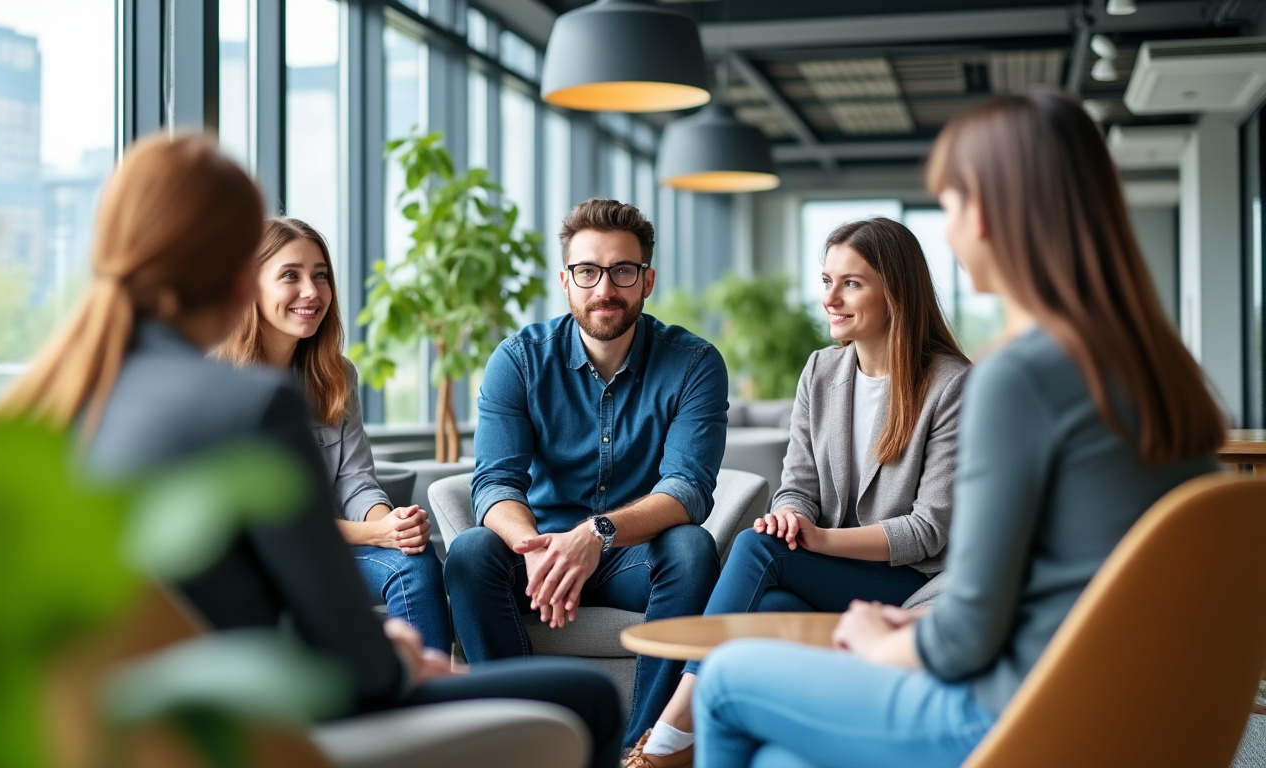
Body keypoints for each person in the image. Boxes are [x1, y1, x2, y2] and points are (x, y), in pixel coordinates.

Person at [0, 132, 624, 767]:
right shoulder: (247, 404)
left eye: (318, 275)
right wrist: (399, 659)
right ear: (237, 271)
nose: (308, 291)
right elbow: (352, 657)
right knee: (589, 697)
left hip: (128, 728)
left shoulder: (54, 405)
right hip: (263, 716)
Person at [690, 88, 1223, 768]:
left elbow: (965, 636)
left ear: (996, 212)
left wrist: (884, 640)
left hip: (1009, 713)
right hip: (1112, 707)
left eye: (950, 203)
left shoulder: (1018, 376)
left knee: (729, 681)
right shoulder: (1157, 370)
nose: (947, 230)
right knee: (778, 762)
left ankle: (659, 736)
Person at [624, 216, 970, 767]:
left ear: (896, 292)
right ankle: (720, 743)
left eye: (851, 283)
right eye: (826, 279)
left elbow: (930, 530)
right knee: (773, 601)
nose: (830, 298)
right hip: (833, 573)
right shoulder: (821, 371)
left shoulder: (950, 385)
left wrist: (816, 541)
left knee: (756, 549)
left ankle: (668, 734)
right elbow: (797, 488)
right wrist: (788, 518)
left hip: (912, 585)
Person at [444, 197, 729, 748]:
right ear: (566, 280)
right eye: (588, 271)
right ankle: (526, 742)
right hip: (541, 551)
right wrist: (534, 547)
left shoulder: (694, 363)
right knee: (472, 553)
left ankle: (643, 747)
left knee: (692, 548)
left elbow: (687, 490)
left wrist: (595, 534)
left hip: (633, 555)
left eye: (622, 271)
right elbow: (496, 484)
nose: (605, 289)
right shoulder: (519, 359)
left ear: (647, 281)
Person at [215, 217, 450, 653]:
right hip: (252, 561)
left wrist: (391, 526)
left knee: (412, 563)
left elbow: (356, 481)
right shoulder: (218, 379)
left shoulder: (336, 375)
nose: (312, 291)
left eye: (320, 275)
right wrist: (372, 535)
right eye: (291, 275)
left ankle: (430, 705)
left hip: (327, 552)